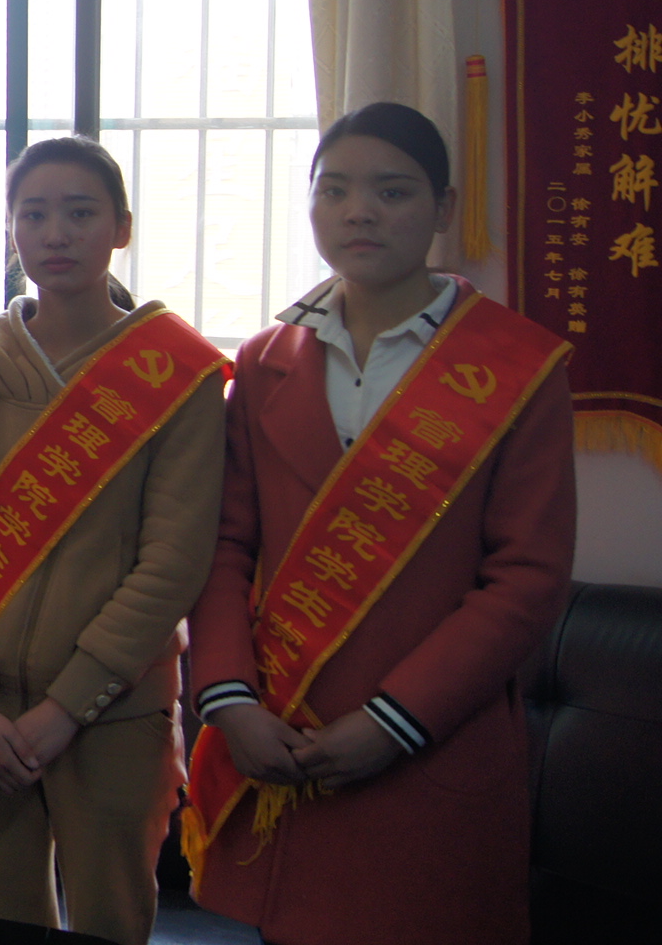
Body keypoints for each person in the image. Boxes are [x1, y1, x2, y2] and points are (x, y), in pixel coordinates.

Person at [183, 102, 576, 945]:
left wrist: (394, 720)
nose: (359, 211)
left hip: (434, 747)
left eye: (392, 192)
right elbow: (224, 546)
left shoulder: (514, 365)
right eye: (335, 191)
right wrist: (230, 701)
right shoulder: (264, 361)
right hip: (282, 740)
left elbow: (527, 578)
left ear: (444, 208)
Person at [0, 137, 227, 945]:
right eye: (34, 214)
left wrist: (66, 708)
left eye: (80, 213)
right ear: (11, 229)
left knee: (111, 922)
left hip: (114, 712)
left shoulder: (175, 376)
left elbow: (173, 563)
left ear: (121, 227)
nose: (56, 234)